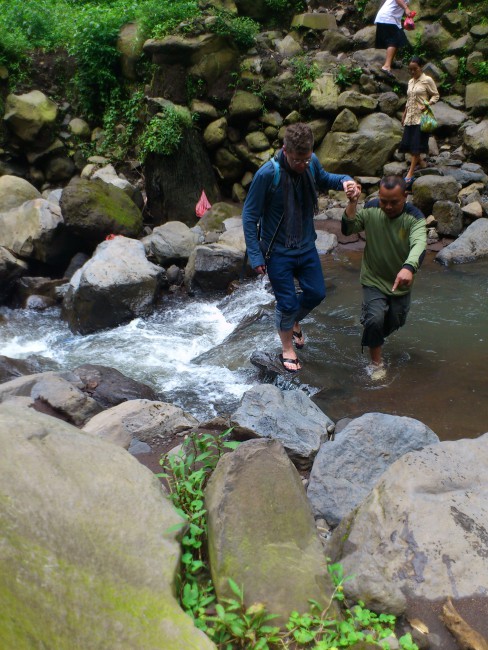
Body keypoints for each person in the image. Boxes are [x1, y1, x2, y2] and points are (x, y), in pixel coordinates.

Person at [242, 122, 359, 373]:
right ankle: (287, 348)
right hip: (278, 251)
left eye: (307, 159)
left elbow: (325, 178)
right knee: (287, 302)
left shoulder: (311, 162)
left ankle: (293, 321)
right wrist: (255, 254)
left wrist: (346, 182)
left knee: (316, 292)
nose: (304, 165)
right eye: (298, 160)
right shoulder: (267, 174)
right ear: (286, 151)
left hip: (305, 245)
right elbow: (249, 215)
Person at [341, 175, 426, 381]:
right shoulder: (371, 209)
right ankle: (376, 363)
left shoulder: (414, 218)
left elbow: (419, 244)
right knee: (375, 320)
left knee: (397, 320)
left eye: (394, 202)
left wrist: (408, 267)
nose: (387, 207)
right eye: (383, 201)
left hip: (401, 281)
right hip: (373, 278)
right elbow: (348, 229)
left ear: (405, 196)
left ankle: (372, 333)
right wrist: (353, 203)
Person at [400, 56, 440, 185]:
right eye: (410, 69)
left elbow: (436, 94)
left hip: (421, 117)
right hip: (410, 116)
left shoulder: (427, 80)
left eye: (415, 69)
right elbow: (409, 99)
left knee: (416, 144)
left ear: (420, 67)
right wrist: (404, 113)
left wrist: (428, 104)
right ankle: (421, 163)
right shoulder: (410, 82)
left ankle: (410, 173)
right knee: (408, 142)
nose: (412, 72)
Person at [374, 0, 414, 77]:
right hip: (387, 17)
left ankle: (390, 63)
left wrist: (407, 15)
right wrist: (406, 8)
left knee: (398, 39)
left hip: (391, 18)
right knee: (394, 40)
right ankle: (386, 66)